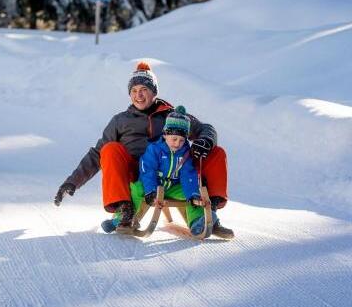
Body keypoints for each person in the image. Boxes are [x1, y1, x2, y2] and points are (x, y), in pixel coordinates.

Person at [53, 62, 233, 238]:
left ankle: (210, 213)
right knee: (109, 150)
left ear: (154, 92)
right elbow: (96, 154)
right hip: (138, 176)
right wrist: (72, 182)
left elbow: (205, 128)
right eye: (134, 91)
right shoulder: (120, 120)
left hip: (177, 172)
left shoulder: (172, 116)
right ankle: (124, 209)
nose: (138, 95)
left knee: (217, 152)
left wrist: (205, 140)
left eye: (144, 90)